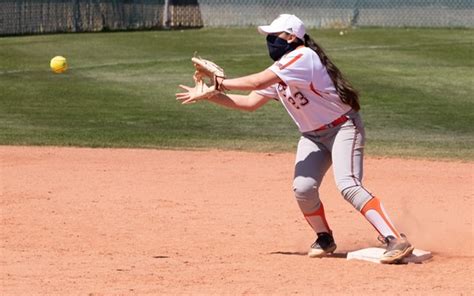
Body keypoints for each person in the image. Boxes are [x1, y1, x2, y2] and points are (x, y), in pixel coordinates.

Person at [176, 14, 414, 264]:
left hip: (343, 128)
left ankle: (395, 238)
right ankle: (324, 238)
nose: (269, 40)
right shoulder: (282, 70)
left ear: (291, 37)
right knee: (303, 188)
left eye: (274, 36)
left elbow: (256, 81)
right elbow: (249, 103)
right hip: (312, 136)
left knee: (348, 185)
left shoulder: (302, 57)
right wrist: (209, 95)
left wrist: (220, 83)